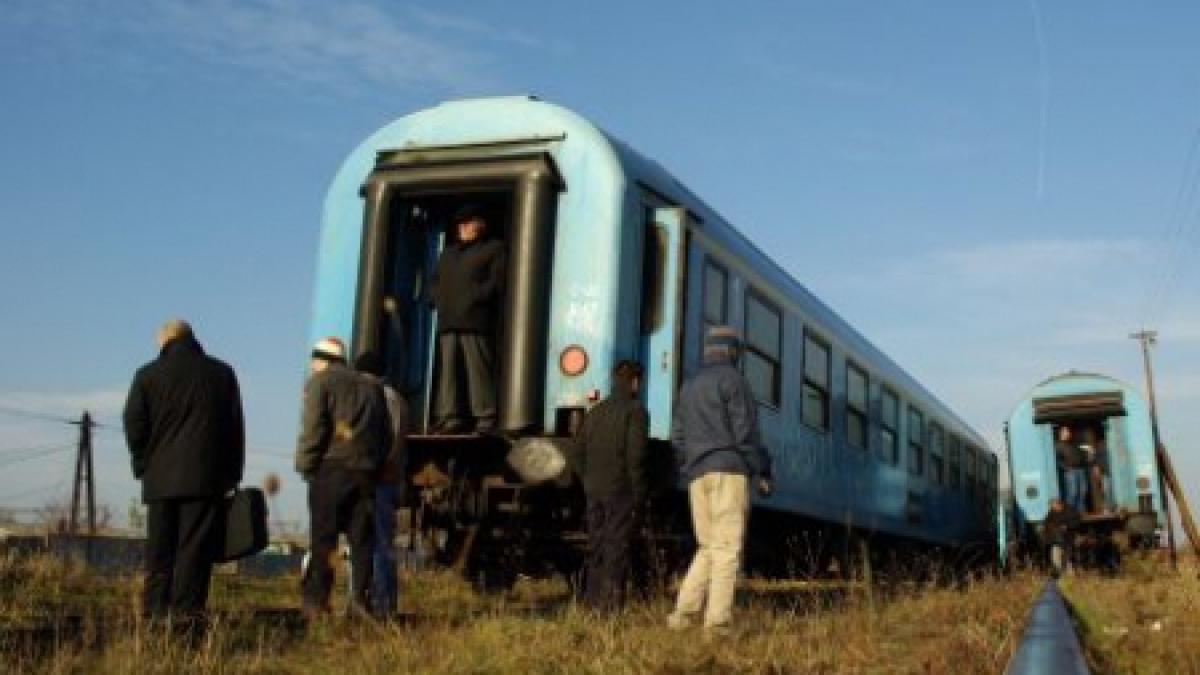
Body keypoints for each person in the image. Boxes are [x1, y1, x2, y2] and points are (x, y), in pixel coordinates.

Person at [123, 319, 244, 623]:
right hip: (206, 481)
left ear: (163, 342)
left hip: (160, 480)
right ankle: (187, 619)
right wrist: (231, 474)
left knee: (159, 552)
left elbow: (134, 424)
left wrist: (142, 465)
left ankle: (153, 616)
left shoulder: (147, 375)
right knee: (194, 552)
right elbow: (234, 430)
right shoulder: (222, 373)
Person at [667, 326, 772, 635]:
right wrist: (761, 470)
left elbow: (678, 437)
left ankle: (683, 616)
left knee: (708, 547)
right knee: (727, 549)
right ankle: (717, 624)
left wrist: (689, 466)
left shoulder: (689, 386)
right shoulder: (735, 381)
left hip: (698, 474)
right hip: (728, 469)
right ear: (733, 352)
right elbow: (746, 434)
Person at [295, 337, 391, 618]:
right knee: (362, 542)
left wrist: (306, 466)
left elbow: (313, 429)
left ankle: (317, 602)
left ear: (322, 359)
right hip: (366, 474)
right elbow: (384, 436)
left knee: (324, 540)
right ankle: (360, 602)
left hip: (331, 470)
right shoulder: (373, 387)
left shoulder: (321, 382)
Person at [572, 360, 649, 611]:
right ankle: (611, 606)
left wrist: (587, 480)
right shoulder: (636, 411)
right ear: (635, 382)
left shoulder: (595, 412)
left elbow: (577, 452)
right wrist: (638, 492)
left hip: (594, 488)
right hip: (621, 489)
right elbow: (635, 455)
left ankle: (591, 602)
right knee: (616, 545)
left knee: (596, 545)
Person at [430, 204, 506, 434]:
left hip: (476, 320)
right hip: (448, 320)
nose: (462, 228)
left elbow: (498, 281)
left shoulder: (494, 248)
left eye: (467, 223)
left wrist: (477, 296)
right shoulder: (448, 253)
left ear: (480, 225)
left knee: (477, 369)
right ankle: (449, 416)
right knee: (448, 372)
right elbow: (434, 281)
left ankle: (484, 415)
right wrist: (437, 299)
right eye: (460, 224)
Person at [354, 351, 409, 618]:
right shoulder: (393, 397)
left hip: (377, 480)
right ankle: (381, 603)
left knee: (373, 543)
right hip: (383, 479)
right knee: (378, 543)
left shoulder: (383, 398)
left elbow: (392, 440)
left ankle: (380, 604)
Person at [1042, 498, 1079, 578]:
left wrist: (1067, 526)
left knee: (1068, 558)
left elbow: (1076, 521)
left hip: (1068, 539)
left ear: (1059, 504)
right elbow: (1046, 523)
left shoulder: (1070, 510)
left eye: (1054, 506)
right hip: (1056, 540)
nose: (1052, 508)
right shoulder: (1051, 513)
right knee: (1055, 556)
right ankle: (1058, 574)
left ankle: (1071, 575)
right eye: (1052, 507)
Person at [1054, 426, 1088, 513]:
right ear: (1061, 433)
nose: (1068, 434)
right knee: (1073, 493)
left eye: (1069, 432)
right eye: (1066, 432)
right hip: (1070, 471)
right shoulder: (1058, 445)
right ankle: (1071, 513)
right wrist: (1066, 468)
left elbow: (1080, 453)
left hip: (1080, 470)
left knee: (1083, 491)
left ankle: (1081, 512)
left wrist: (1083, 460)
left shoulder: (1073, 444)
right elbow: (1057, 460)